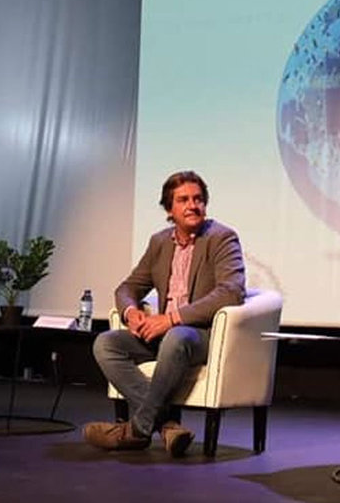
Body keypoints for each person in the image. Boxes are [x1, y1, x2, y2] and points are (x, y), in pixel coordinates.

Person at [83, 170, 245, 457]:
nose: (192, 205)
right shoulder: (160, 242)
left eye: (198, 199)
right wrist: (132, 312)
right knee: (105, 343)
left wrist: (171, 319)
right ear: (170, 209)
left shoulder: (222, 238)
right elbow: (128, 287)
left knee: (177, 336)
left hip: (200, 335)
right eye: (183, 200)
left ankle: (135, 431)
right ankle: (168, 426)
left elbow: (231, 292)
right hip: (161, 334)